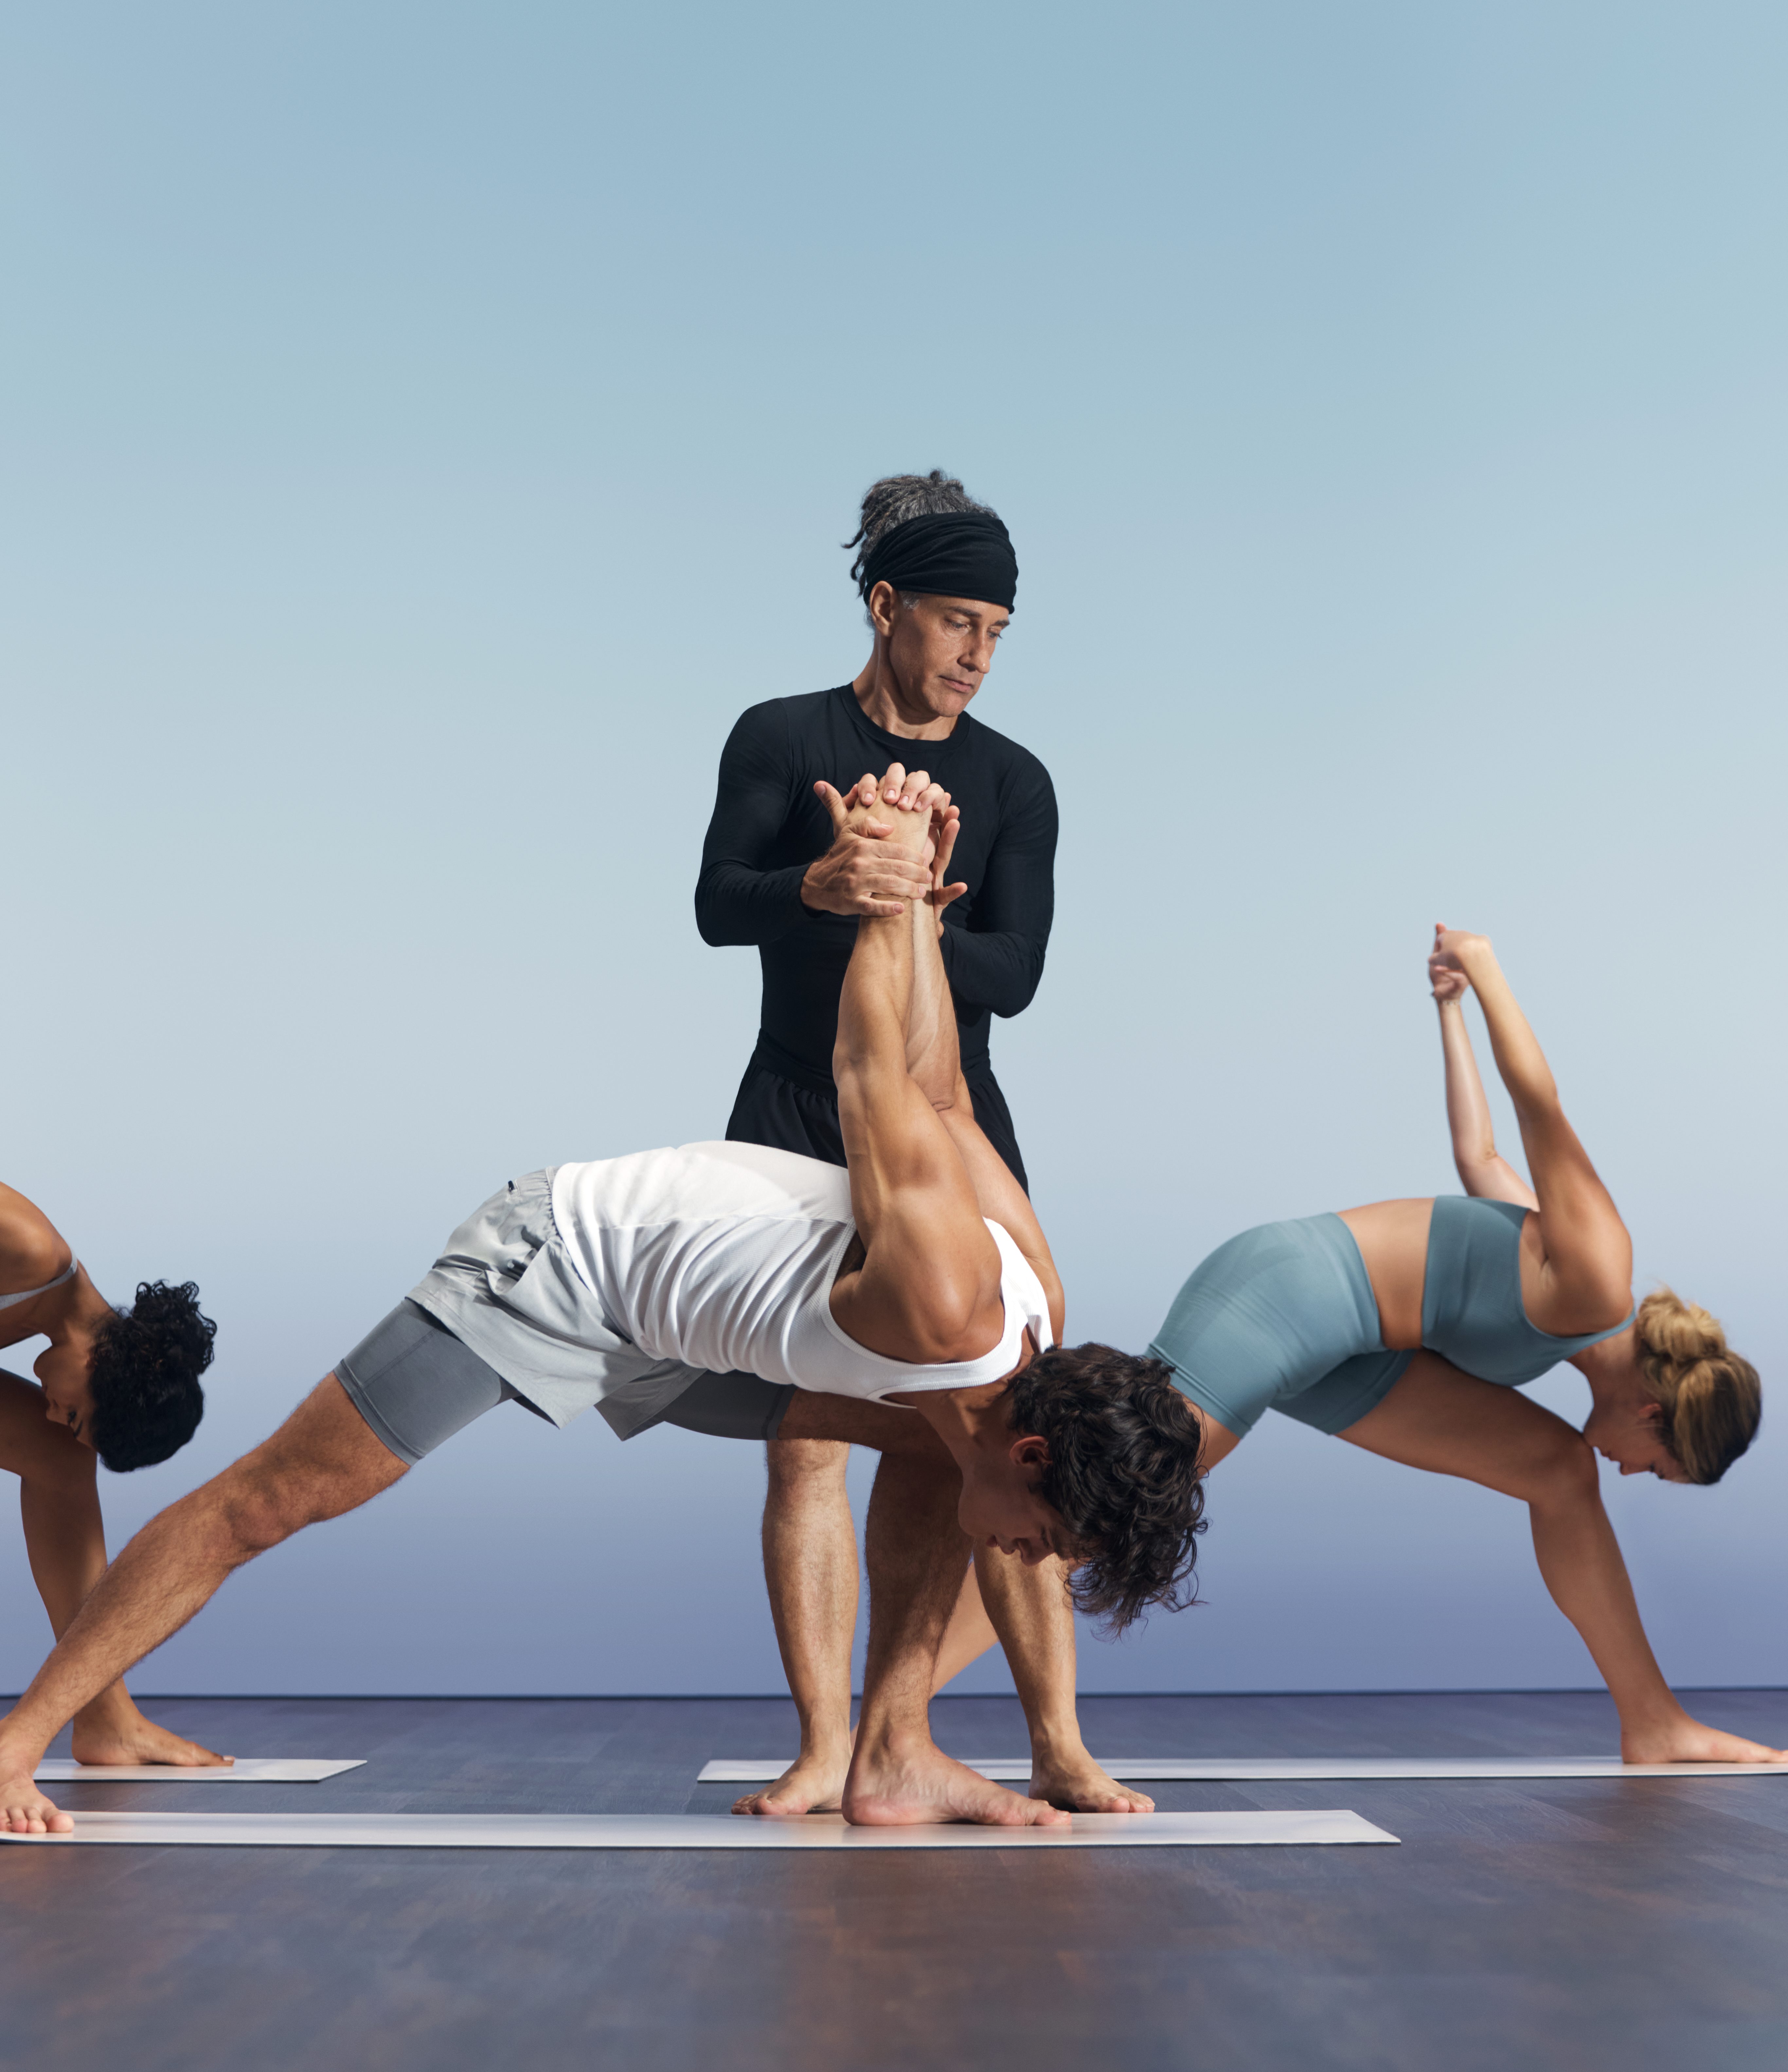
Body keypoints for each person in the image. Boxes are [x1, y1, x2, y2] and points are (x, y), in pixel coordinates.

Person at [0, 767, 1203, 1835]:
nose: (1029, 1558)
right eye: (1045, 1536)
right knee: (270, 1501)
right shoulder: (950, 1299)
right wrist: (886, 881)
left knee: (944, 1450)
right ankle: (27, 1734)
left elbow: (950, 1096)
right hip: (567, 1265)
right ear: (1038, 1446)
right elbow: (874, 1075)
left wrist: (925, 922)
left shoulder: (1034, 1313)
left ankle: (890, 1755)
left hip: (706, 1332)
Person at [1138, 924, 1778, 1766]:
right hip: (1285, 1294)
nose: (1633, 1474)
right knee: (1114, 1498)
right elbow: (1539, 1107)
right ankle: (907, 1704)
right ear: (1652, 1413)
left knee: (1556, 1469)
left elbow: (1478, 1157)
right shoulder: (1596, 1277)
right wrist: (1480, 969)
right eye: (1655, 1466)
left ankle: (1653, 1723)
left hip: (1350, 1352)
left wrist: (1446, 1014)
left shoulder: (1574, 1319)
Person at [696, 470, 1084, 1815]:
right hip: (793, 1116)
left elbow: (1015, 971)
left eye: (997, 631)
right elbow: (715, 903)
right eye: (956, 620)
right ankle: (821, 1745)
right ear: (884, 604)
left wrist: (906, 894)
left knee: (977, 1427)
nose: (976, 653)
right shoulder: (777, 733)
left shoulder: (1015, 780)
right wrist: (825, 877)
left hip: (943, 1124)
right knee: (804, 1440)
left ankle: (984, 1738)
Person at [0, 1176, 227, 1769]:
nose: (52, 1411)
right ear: (103, 1364)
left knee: (58, 1458)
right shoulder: (24, 1248)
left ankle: (105, 1717)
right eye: (74, 1413)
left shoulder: (30, 1309)